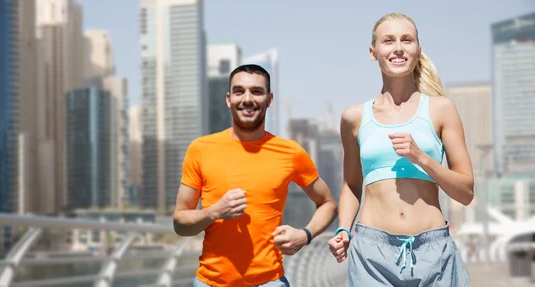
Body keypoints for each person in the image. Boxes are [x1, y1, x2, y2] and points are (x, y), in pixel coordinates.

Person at [328, 13, 473, 287]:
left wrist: (421, 158)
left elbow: (465, 192)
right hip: (372, 254)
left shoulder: (441, 109)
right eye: (388, 41)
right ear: (374, 53)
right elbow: (351, 184)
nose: (398, 48)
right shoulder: (354, 117)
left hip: (434, 254)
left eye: (407, 40)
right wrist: (344, 229)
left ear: (418, 50)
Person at [173, 64, 338, 287]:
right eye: (239, 91)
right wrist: (214, 212)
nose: (247, 99)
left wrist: (304, 236)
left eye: (256, 92)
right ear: (228, 99)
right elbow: (180, 223)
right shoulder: (200, 149)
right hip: (209, 283)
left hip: (270, 282)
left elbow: (328, 203)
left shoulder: (291, 152)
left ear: (269, 99)